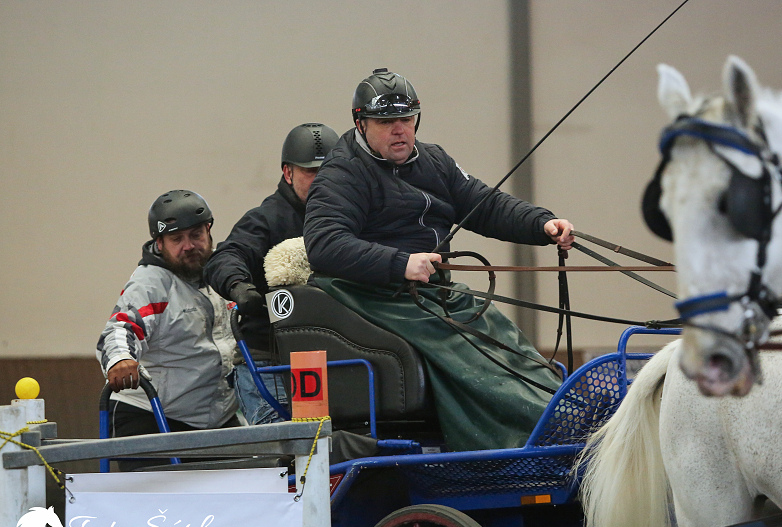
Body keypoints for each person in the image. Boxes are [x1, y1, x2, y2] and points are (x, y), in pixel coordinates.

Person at [304, 68, 576, 452]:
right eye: (386, 122)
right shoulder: (341, 172)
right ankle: (528, 436)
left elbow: (485, 204)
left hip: (431, 289)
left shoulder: (434, 160)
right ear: (360, 123)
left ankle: (562, 409)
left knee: (496, 327)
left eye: (406, 119)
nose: (399, 130)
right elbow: (325, 244)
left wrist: (541, 224)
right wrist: (399, 263)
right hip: (371, 293)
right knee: (465, 345)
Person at [204, 123, 340, 424]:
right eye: (310, 172)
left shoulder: (351, 218)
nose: (321, 181)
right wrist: (239, 286)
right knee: (290, 454)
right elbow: (227, 255)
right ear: (287, 173)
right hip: (270, 361)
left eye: (328, 171)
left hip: (333, 359)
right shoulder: (265, 220)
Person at [97, 190, 239, 470]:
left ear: (209, 232)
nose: (189, 246)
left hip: (217, 417)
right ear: (159, 243)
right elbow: (120, 327)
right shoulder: (150, 284)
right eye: (177, 239)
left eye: (196, 234)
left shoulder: (224, 273)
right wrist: (120, 359)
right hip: (151, 415)